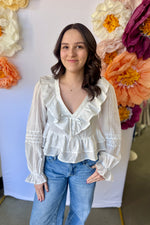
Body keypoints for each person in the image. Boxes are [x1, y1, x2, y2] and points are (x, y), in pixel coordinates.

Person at [25, 23, 121, 225]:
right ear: (59, 51)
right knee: (41, 219)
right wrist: (36, 172)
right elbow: (34, 132)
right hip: (52, 165)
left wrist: (105, 165)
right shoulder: (45, 87)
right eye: (65, 46)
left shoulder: (104, 89)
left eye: (79, 46)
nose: (71, 53)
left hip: (86, 167)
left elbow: (113, 131)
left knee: (79, 217)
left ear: (89, 50)